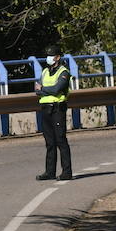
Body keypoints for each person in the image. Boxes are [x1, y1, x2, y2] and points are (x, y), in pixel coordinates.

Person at [35, 45, 73, 181]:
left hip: (57, 109)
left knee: (60, 140)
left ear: (57, 57)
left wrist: (43, 88)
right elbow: (37, 89)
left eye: (51, 55)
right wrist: (44, 89)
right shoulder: (45, 71)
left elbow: (57, 89)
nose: (48, 58)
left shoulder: (64, 72)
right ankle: (50, 172)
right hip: (45, 108)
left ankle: (67, 172)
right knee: (49, 142)